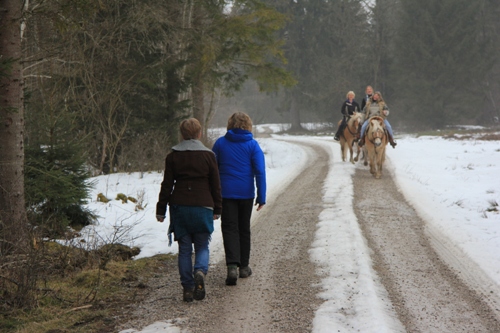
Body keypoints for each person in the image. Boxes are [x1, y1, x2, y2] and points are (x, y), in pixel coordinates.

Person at [156, 118, 222, 302]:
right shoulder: (209, 156)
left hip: (180, 207)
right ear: (200, 134)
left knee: (184, 249)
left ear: (182, 134)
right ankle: (200, 270)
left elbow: (167, 185)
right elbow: (216, 185)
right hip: (203, 206)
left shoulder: (173, 157)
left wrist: (160, 209)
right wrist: (218, 208)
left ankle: (187, 288)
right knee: (202, 245)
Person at [212, 112, 266, 286]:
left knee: (229, 228)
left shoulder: (220, 144)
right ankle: (244, 267)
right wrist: (261, 196)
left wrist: (213, 194)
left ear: (230, 125)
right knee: (243, 228)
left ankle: (232, 267)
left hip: (226, 194)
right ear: (248, 126)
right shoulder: (253, 145)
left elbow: (212, 170)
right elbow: (260, 172)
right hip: (246, 193)